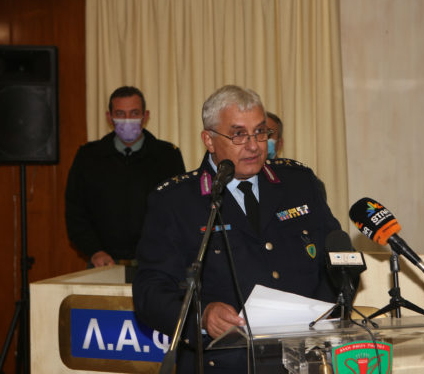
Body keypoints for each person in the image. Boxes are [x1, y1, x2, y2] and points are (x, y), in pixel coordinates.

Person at [133, 85, 341, 373]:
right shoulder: (176, 201)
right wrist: (202, 316)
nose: (254, 146)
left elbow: (339, 259)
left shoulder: (300, 184)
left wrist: (318, 317)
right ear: (209, 140)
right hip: (222, 363)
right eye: (239, 134)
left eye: (260, 132)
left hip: (302, 358)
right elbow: (149, 292)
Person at [65, 86, 186, 281]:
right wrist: (94, 251)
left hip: (156, 266)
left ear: (145, 116)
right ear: (109, 117)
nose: (127, 120)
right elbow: (75, 212)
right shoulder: (88, 157)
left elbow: (179, 210)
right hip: (103, 266)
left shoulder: (167, 156)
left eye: (134, 113)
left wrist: (162, 251)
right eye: (120, 114)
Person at [266, 111, 328, 201]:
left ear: (280, 143)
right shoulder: (245, 178)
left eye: (268, 134)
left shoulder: (304, 181)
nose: (262, 140)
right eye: (257, 133)